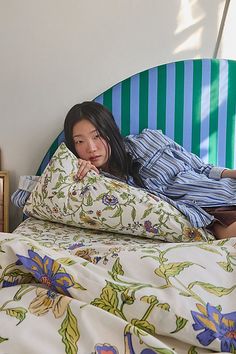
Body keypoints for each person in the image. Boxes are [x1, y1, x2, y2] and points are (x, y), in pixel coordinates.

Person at [64, 101, 236, 240]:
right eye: (80, 142)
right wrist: (90, 178)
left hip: (222, 189)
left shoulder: (148, 140)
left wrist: (232, 173)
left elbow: (200, 167)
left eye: (97, 136)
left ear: (111, 132)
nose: (91, 148)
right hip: (206, 215)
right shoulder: (97, 182)